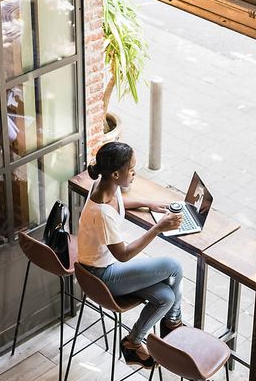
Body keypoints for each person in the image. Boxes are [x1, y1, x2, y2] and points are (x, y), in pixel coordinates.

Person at [77, 142, 184, 368]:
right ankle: (173, 324)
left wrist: (148, 203)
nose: (135, 172)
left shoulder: (103, 185)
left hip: (99, 266)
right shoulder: (102, 213)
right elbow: (124, 255)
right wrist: (157, 228)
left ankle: (133, 343)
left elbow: (119, 201)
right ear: (116, 173)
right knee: (173, 266)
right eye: (132, 168)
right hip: (101, 276)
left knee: (166, 297)